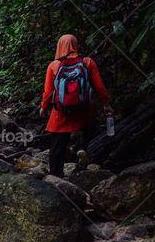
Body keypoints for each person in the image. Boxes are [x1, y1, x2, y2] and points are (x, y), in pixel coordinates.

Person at [40, 34, 113, 178]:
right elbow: (99, 88)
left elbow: (48, 92)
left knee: (57, 145)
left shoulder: (54, 66)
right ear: (76, 45)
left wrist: (44, 107)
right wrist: (106, 104)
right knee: (91, 126)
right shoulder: (87, 62)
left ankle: (56, 175)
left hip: (61, 112)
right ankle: (81, 148)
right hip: (84, 109)